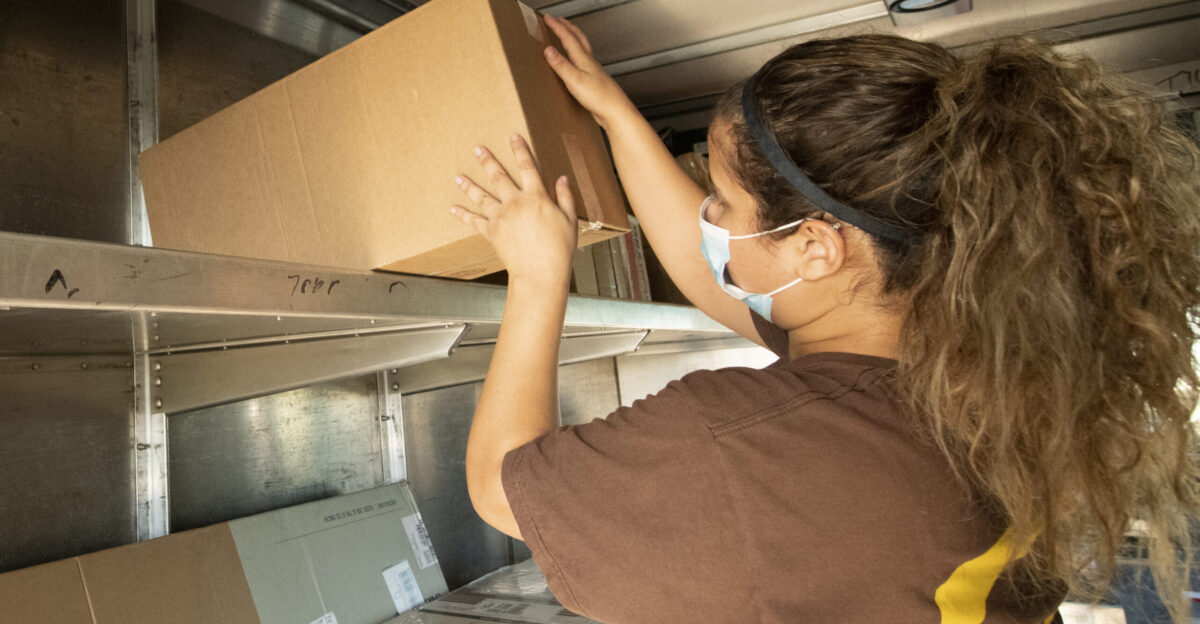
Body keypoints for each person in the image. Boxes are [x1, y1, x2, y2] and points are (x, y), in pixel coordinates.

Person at [449, 15, 1200, 624]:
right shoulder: (966, 360)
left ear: (816, 247)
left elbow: (497, 488)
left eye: (719, 198)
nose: (705, 217)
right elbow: (726, 284)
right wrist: (614, 116)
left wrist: (539, 271)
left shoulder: (743, 442)